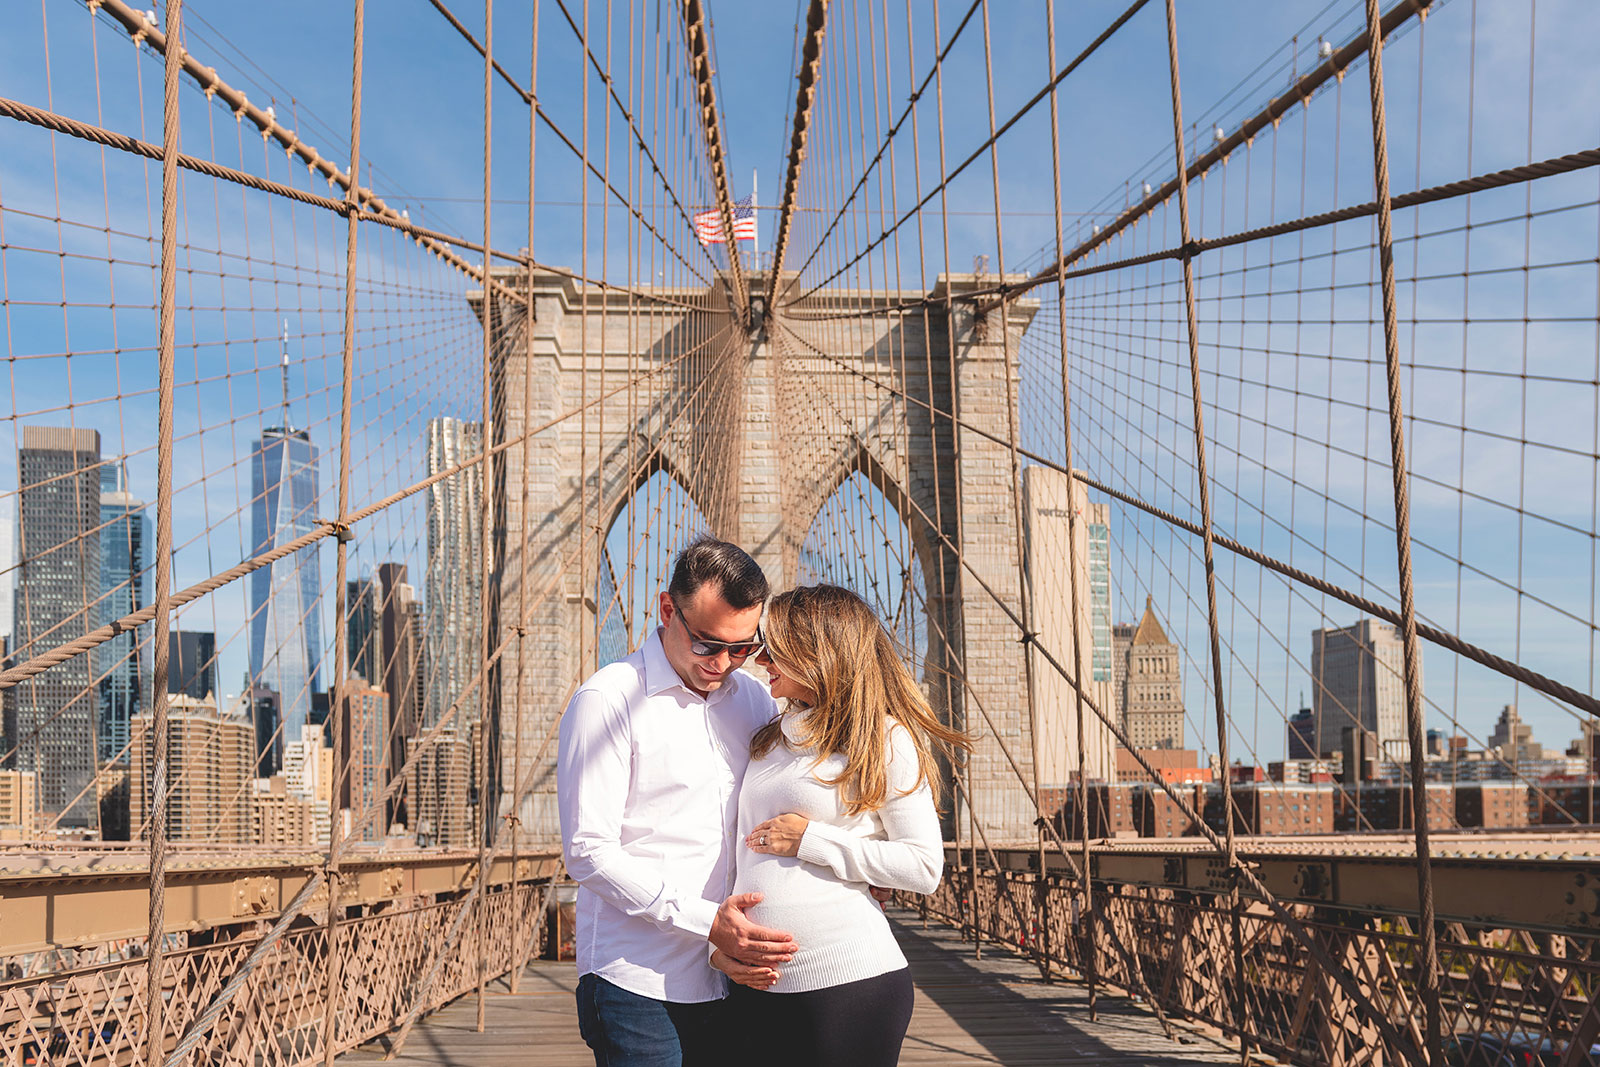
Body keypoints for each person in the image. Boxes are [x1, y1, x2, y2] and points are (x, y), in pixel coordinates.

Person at [557, 536, 800, 1067]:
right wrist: (707, 919)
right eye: (708, 644)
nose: (724, 663)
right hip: (636, 982)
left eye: (743, 648)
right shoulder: (607, 700)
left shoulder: (754, 699)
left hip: (731, 976)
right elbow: (587, 850)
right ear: (668, 610)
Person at [712, 583, 971, 1067]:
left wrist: (812, 839)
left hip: (849, 986)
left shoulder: (884, 738)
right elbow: (741, 851)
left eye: (773, 648)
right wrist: (715, 946)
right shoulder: (767, 739)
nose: (759, 659)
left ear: (817, 652)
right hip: (755, 985)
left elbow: (923, 866)